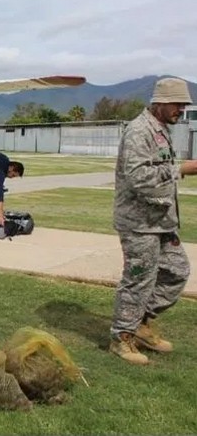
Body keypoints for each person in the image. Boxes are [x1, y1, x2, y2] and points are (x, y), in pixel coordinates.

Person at [109, 77, 197, 365]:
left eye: (184, 105)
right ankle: (121, 338)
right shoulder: (139, 131)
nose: (181, 110)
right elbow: (136, 178)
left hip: (161, 221)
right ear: (159, 103)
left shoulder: (161, 130)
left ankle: (142, 323)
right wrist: (179, 170)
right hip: (139, 223)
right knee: (138, 280)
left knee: (177, 270)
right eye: (177, 104)